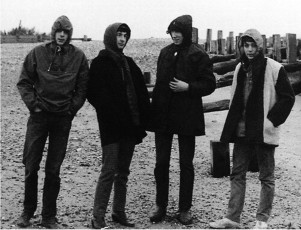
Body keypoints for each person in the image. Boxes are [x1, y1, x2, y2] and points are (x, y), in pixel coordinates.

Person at [209, 29, 295, 229]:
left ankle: (261, 220)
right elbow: (235, 98)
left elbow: (288, 98)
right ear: (242, 46)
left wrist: (271, 121)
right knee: (237, 173)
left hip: (263, 131)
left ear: (259, 46)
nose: (249, 49)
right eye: (246, 45)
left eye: (253, 45)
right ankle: (232, 218)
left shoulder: (274, 68)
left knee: (266, 177)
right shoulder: (240, 68)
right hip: (241, 130)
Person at [16, 15, 89, 228]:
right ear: (53, 32)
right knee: (31, 165)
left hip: (62, 119)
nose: (62, 35)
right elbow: (24, 82)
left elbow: (82, 87)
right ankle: (27, 212)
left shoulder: (79, 57)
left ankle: (49, 216)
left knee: (54, 169)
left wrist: (71, 109)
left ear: (70, 34)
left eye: (66, 32)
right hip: (38, 117)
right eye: (59, 31)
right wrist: (35, 106)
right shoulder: (37, 53)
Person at [148, 15, 216, 225]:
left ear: (187, 32)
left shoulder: (198, 54)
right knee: (161, 163)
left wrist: (189, 87)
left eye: (179, 31)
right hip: (164, 117)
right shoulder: (165, 53)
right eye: (172, 31)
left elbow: (209, 84)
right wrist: (153, 114)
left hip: (187, 116)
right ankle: (160, 205)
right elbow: (160, 85)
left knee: (186, 164)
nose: (175, 35)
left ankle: (184, 209)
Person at [87, 22, 150, 228]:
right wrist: (115, 115)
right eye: (119, 35)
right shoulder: (100, 63)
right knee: (109, 171)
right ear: (110, 37)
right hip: (111, 127)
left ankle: (118, 212)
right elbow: (96, 94)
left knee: (123, 172)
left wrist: (144, 119)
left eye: (125, 35)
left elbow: (141, 94)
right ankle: (98, 217)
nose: (122, 39)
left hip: (130, 127)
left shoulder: (130, 64)